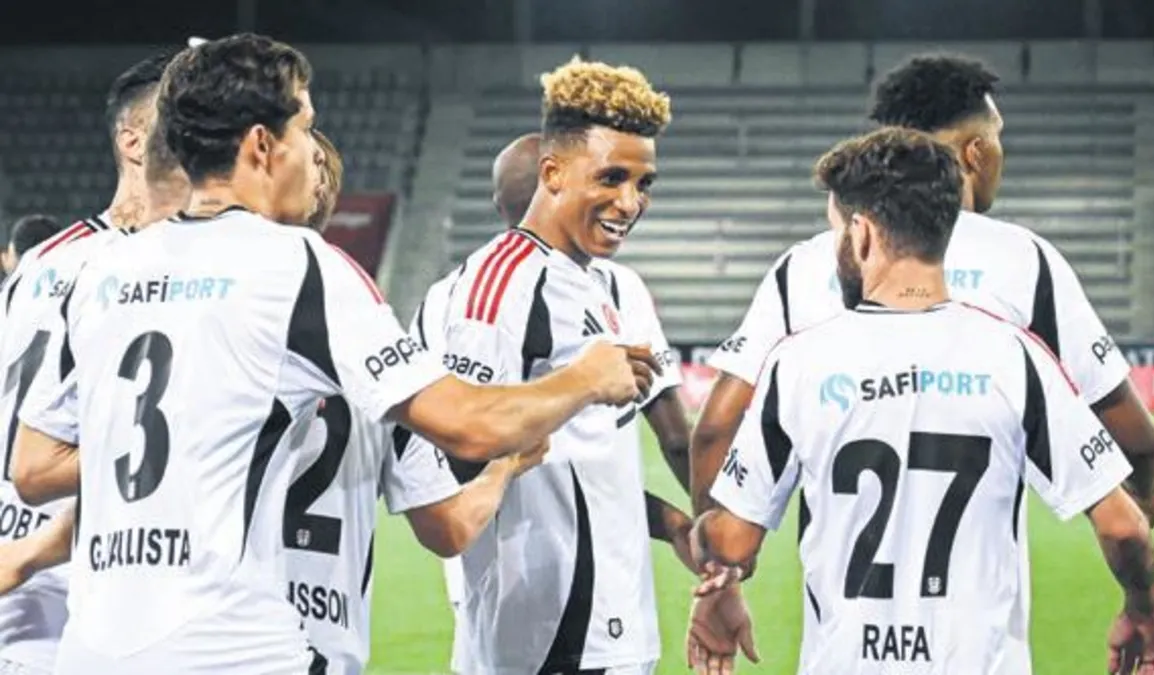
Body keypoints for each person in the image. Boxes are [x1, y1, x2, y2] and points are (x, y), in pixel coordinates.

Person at [12, 34, 650, 674]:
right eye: (304, 127)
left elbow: (34, 468)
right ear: (262, 145)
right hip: (230, 649)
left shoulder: (99, 271)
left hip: (91, 650)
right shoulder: (297, 265)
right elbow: (467, 424)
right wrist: (586, 378)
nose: (310, 148)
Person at [686, 53, 1154, 667]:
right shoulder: (1022, 291)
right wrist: (1142, 531)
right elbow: (1134, 447)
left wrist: (718, 571)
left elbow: (715, 432)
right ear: (971, 155)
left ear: (859, 233)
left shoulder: (800, 290)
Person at [431, 56, 685, 675]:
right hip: (544, 627)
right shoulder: (499, 285)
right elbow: (459, 446)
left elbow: (589, 465)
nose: (630, 202)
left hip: (620, 618)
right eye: (612, 178)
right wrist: (582, 382)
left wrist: (678, 523)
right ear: (552, 173)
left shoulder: (610, 285)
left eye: (644, 183)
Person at [284, 129, 550, 674]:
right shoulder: (387, 361)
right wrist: (506, 466)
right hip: (319, 645)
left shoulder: (209, 322)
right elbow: (450, 528)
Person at [0, 51, 190, 675]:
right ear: (133, 142)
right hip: (83, 574)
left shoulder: (43, 260)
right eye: (183, 115)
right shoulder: (151, 273)